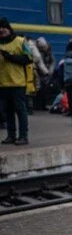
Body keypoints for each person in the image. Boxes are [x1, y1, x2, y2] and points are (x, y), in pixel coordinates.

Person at [0, 17, 31, 145]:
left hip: (18, 82)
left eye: (3, 27)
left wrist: (10, 57)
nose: (1, 30)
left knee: (20, 110)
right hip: (2, 83)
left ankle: (23, 136)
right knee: (8, 111)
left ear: (9, 28)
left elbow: (29, 58)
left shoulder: (20, 41)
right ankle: (11, 135)